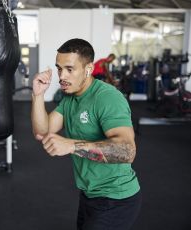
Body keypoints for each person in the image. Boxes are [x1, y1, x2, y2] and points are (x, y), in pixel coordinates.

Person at [31, 38, 141, 230]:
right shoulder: (71, 99)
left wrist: (72, 145)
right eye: (59, 68)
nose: (61, 76)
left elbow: (127, 151)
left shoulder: (107, 97)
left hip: (116, 199)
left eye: (69, 69)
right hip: (89, 195)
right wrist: (38, 95)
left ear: (89, 69)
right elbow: (42, 132)